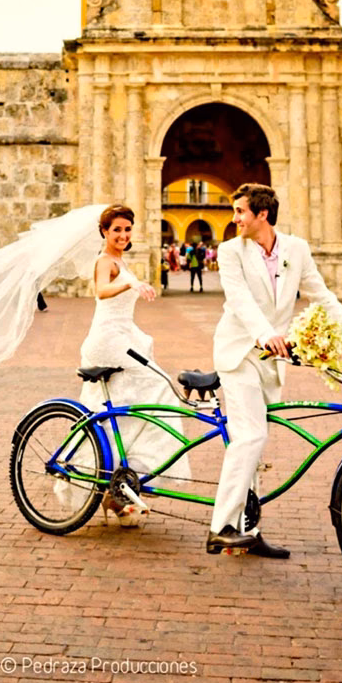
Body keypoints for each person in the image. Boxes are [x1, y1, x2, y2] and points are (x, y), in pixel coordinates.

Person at [208, 183, 342, 558]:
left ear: (262, 215)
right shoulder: (229, 251)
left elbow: (324, 299)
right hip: (239, 354)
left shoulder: (296, 249)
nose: (235, 218)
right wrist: (266, 333)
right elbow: (238, 300)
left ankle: (248, 531)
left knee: (257, 445)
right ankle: (221, 527)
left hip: (272, 361)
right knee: (250, 437)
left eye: (240, 211)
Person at [75, 204, 190, 523]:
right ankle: (133, 473)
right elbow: (101, 291)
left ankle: (120, 486)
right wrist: (129, 284)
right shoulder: (104, 260)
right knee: (158, 388)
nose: (123, 235)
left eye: (127, 229)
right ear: (104, 232)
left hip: (124, 335)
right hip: (108, 339)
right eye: (117, 230)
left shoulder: (119, 260)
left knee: (127, 412)